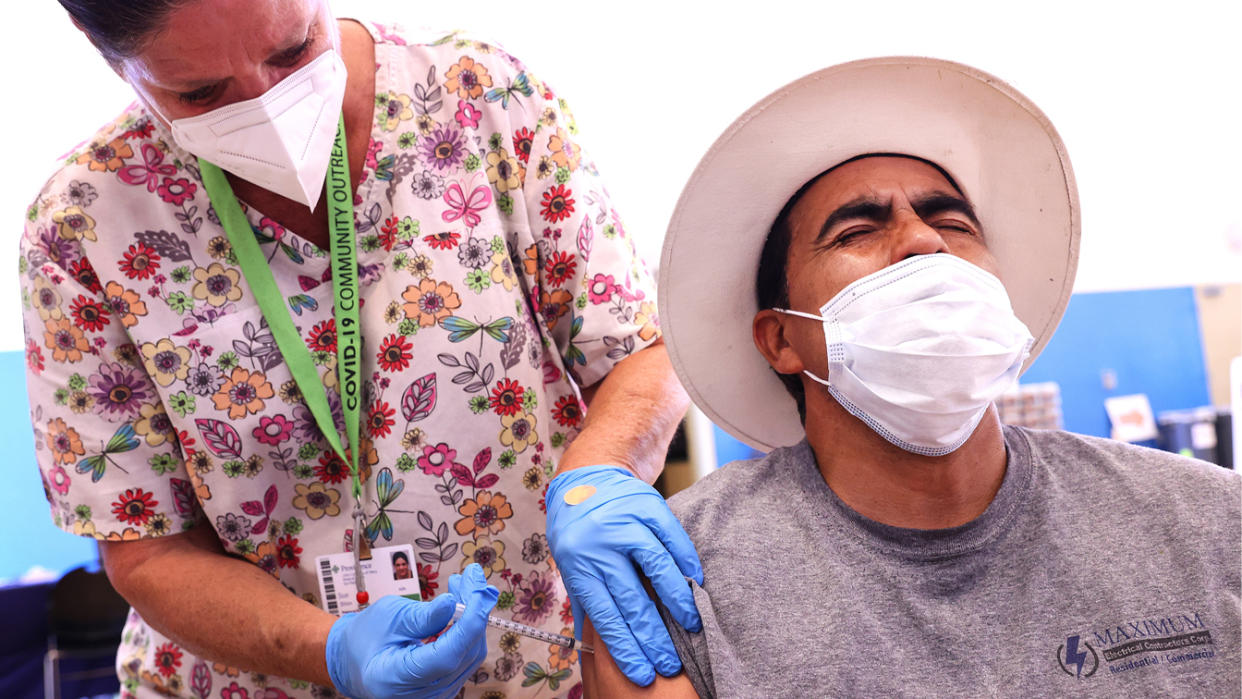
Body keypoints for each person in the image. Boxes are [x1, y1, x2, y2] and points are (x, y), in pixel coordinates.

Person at [24, 1, 702, 696]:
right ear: (110, 56)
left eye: (292, 51)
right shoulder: (84, 224)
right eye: (201, 94)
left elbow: (641, 346)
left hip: (533, 665)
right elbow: (147, 549)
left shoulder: (481, 100)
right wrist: (334, 650)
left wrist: (602, 474)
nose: (269, 103)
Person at [579, 57, 1242, 696]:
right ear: (781, 338)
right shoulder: (676, 582)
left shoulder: (1210, 523)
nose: (926, 242)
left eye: (953, 221)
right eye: (857, 230)